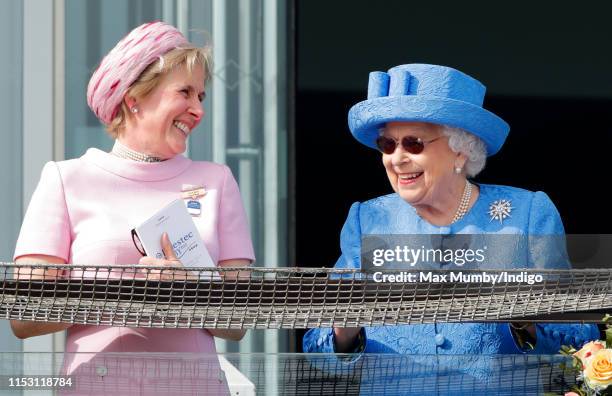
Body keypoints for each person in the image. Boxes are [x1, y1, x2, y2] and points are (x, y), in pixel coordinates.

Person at [302, 64, 600, 393]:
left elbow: (581, 337)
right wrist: (345, 331)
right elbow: (318, 352)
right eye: (388, 145)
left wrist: (526, 317)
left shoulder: (526, 214)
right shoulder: (367, 219)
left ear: (459, 149)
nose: (396, 158)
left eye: (413, 144)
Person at [11, 21, 253, 394]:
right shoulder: (65, 179)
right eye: (185, 92)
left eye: (201, 97)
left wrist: (191, 293)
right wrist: (127, 295)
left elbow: (238, 323)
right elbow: (24, 317)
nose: (197, 110)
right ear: (133, 98)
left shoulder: (217, 181)